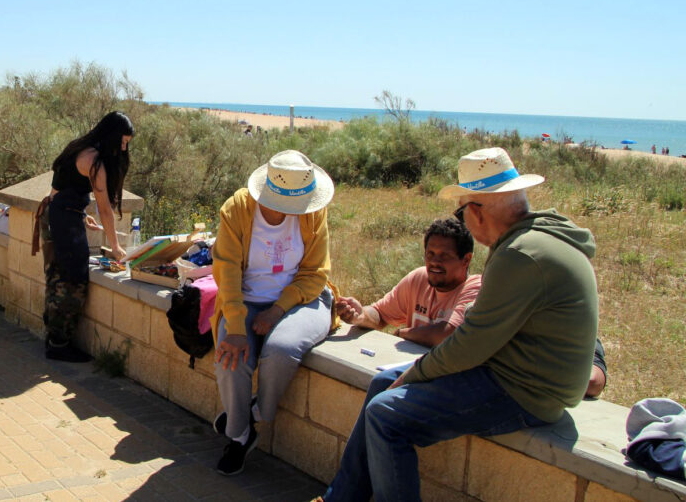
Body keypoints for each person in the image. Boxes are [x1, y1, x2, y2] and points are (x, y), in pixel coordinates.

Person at [322, 147, 598, 501]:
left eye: (461, 211)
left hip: (527, 391)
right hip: (511, 371)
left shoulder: (519, 255)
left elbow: (470, 342)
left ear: (476, 211)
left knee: (386, 415)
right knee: (382, 383)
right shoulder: (534, 239)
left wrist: (417, 373)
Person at [210, 150, 337, 476]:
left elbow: (315, 273)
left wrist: (278, 310)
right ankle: (239, 436)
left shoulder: (313, 214)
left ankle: (256, 413)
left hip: (302, 300)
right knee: (230, 358)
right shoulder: (237, 209)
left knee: (281, 349)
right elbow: (226, 271)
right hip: (246, 299)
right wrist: (235, 326)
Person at [44, 111, 134, 362]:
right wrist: (115, 246)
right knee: (72, 279)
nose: (124, 148)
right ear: (112, 136)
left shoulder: (79, 147)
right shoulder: (92, 160)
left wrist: (81, 216)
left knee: (57, 276)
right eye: (123, 141)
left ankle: (54, 339)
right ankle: (59, 344)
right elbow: (104, 208)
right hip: (64, 221)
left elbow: (57, 191)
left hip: (59, 215)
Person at [336, 217, 480, 348]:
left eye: (444, 256)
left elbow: (448, 335)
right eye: (430, 254)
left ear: (466, 260)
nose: (435, 262)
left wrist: (402, 333)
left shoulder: (476, 288)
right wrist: (361, 315)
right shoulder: (418, 279)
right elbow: (380, 314)